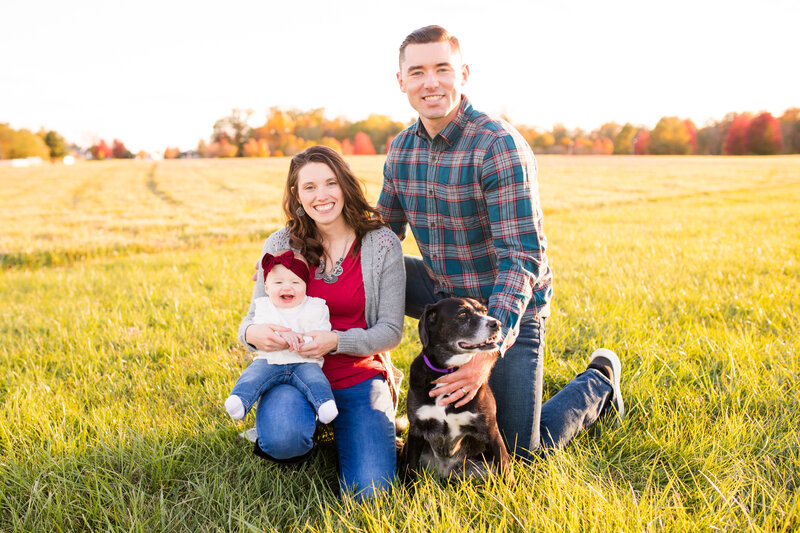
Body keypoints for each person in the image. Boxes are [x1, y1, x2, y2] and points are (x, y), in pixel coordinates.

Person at [378, 25, 625, 461]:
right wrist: (300, 255)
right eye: (417, 72)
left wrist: (485, 353)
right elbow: (381, 236)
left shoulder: (498, 145)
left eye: (442, 69)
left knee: (517, 451)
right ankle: (364, 390)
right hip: (442, 289)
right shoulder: (401, 150)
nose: (430, 82)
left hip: (509, 304)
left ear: (463, 74)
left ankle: (599, 382)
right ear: (401, 81)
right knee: (378, 267)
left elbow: (522, 256)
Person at [238, 145, 405, 499]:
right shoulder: (280, 243)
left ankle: (351, 424)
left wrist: (336, 342)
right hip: (291, 372)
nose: (322, 195)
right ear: (297, 195)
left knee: (371, 492)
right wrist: (254, 334)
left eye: (331, 183)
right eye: (310, 187)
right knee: (282, 438)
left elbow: (390, 332)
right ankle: (302, 423)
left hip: (357, 375)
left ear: (345, 184)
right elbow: (251, 321)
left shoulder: (381, 244)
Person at [225, 249, 338, 425]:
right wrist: (285, 336)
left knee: (316, 379)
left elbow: (322, 334)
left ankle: (324, 405)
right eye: (278, 282)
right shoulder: (264, 306)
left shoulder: (316, 308)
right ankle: (240, 399)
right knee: (253, 374)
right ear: (266, 287)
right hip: (270, 360)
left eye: (295, 282)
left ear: (306, 285)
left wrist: (302, 341)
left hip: (304, 362)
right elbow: (263, 331)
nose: (287, 287)